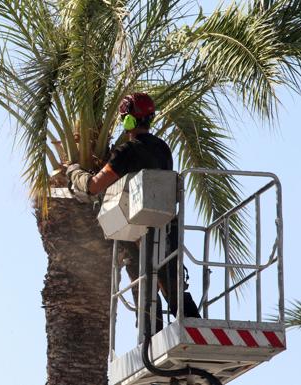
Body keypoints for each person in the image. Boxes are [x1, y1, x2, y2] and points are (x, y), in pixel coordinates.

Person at [66, 92, 200, 329]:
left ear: (127, 120)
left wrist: (74, 172)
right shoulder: (163, 148)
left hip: (136, 228)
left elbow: (94, 186)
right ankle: (193, 327)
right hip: (167, 224)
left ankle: (151, 335)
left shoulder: (126, 152)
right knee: (171, 283)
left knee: (143, 282)